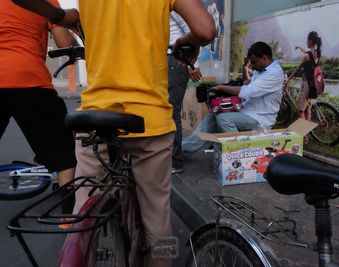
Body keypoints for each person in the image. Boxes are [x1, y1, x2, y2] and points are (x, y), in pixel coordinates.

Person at [11, 1, 215, 266]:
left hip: (95, 119)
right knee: (157, 221)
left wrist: (63, 17)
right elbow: (205, 30)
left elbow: (59, 15)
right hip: (148, 121)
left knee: (84, 216)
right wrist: (186, 41)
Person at [0, 0, 78, 213]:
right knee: (63, 151)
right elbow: (66, 44)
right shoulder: (47, 3)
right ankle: (67, 219)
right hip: (27, 78)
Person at [182, 41, 284, 156]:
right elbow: (246, 84)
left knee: (224, 118)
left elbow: (247, 91)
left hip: (260, 119)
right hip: (246, 112)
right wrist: (243, 69)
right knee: (214, 114)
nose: (253, 66)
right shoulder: (261, 70)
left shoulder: (274, 74)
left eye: (254, 62)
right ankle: (181, 151)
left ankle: (240, 153)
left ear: (264, 58)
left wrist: (221, 87)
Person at [168, 11, 203, 174]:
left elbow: (195, 30)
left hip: (173, 57)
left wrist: (189, 63)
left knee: (170, 111)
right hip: (161, 59)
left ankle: (175, 162)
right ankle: (167, 159)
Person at [285, 31, 322, 122]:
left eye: (307, 40)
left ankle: (304, 136)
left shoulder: (306, 56)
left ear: (310, 41)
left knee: (300, 110)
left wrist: (288, 79)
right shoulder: (317, 54)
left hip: (306, 85)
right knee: (307, 110)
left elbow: (297, 69)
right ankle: (307, 135)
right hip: (313, 86)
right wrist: (299, 47)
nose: (306, 42)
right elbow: (307, 52)